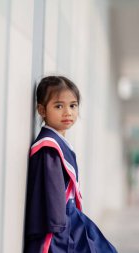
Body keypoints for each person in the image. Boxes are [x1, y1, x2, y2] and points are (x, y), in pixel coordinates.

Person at [24, 76, 118, 253]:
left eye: (73, 105)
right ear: (42, 110)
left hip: (70, 220)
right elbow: (53, 200)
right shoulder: (48, 147)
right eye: (59, 106)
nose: (67, 112)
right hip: (58, 230)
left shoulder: (58, 143)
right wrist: (62, 232)